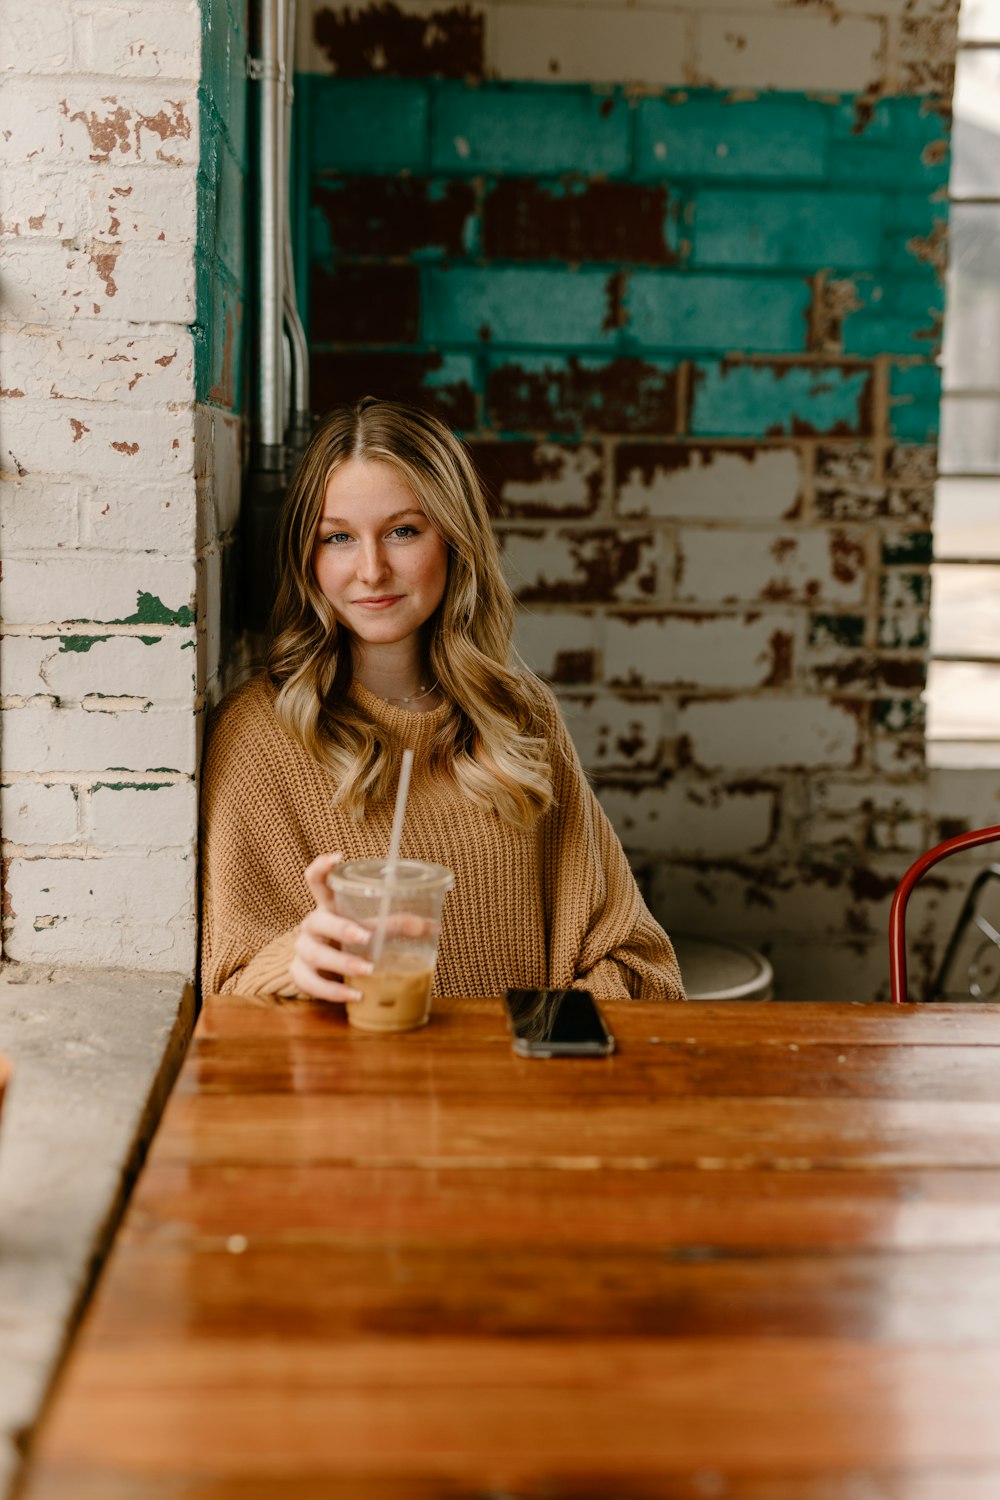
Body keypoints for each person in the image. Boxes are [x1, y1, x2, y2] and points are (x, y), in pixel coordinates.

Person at [200, 398, 685, 1004]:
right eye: (339, 538)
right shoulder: (257, 734)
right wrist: (294, 966)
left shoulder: (518, 715)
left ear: (454, 539)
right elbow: (227, 997)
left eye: (403, 531)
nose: (371, 570)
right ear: (308, 557)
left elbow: (641, 961)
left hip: (518, 1091)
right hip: (359, 1093)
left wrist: (527, 1049)